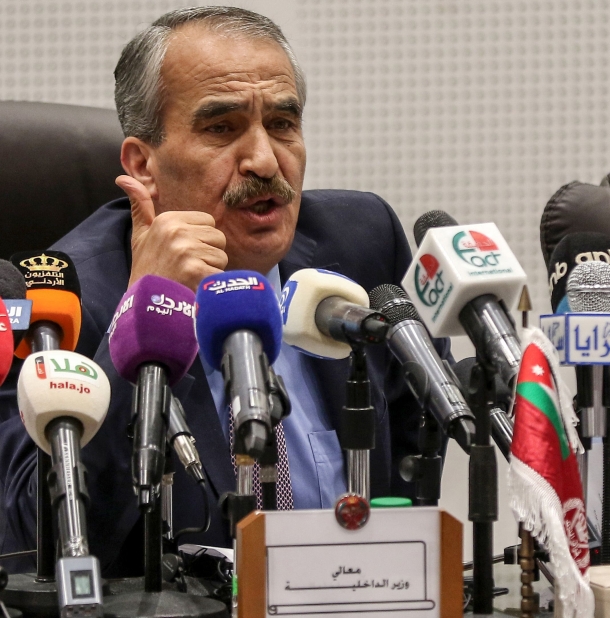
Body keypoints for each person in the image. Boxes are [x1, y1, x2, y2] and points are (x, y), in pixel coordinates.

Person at [0, 6, 440, 576]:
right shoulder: (61, 299)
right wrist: (147, 311)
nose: (263, 159)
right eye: (221, 128)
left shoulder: (358, 242)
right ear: (143, 164)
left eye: (283, 124)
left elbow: (418, 440)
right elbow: (30, 537)